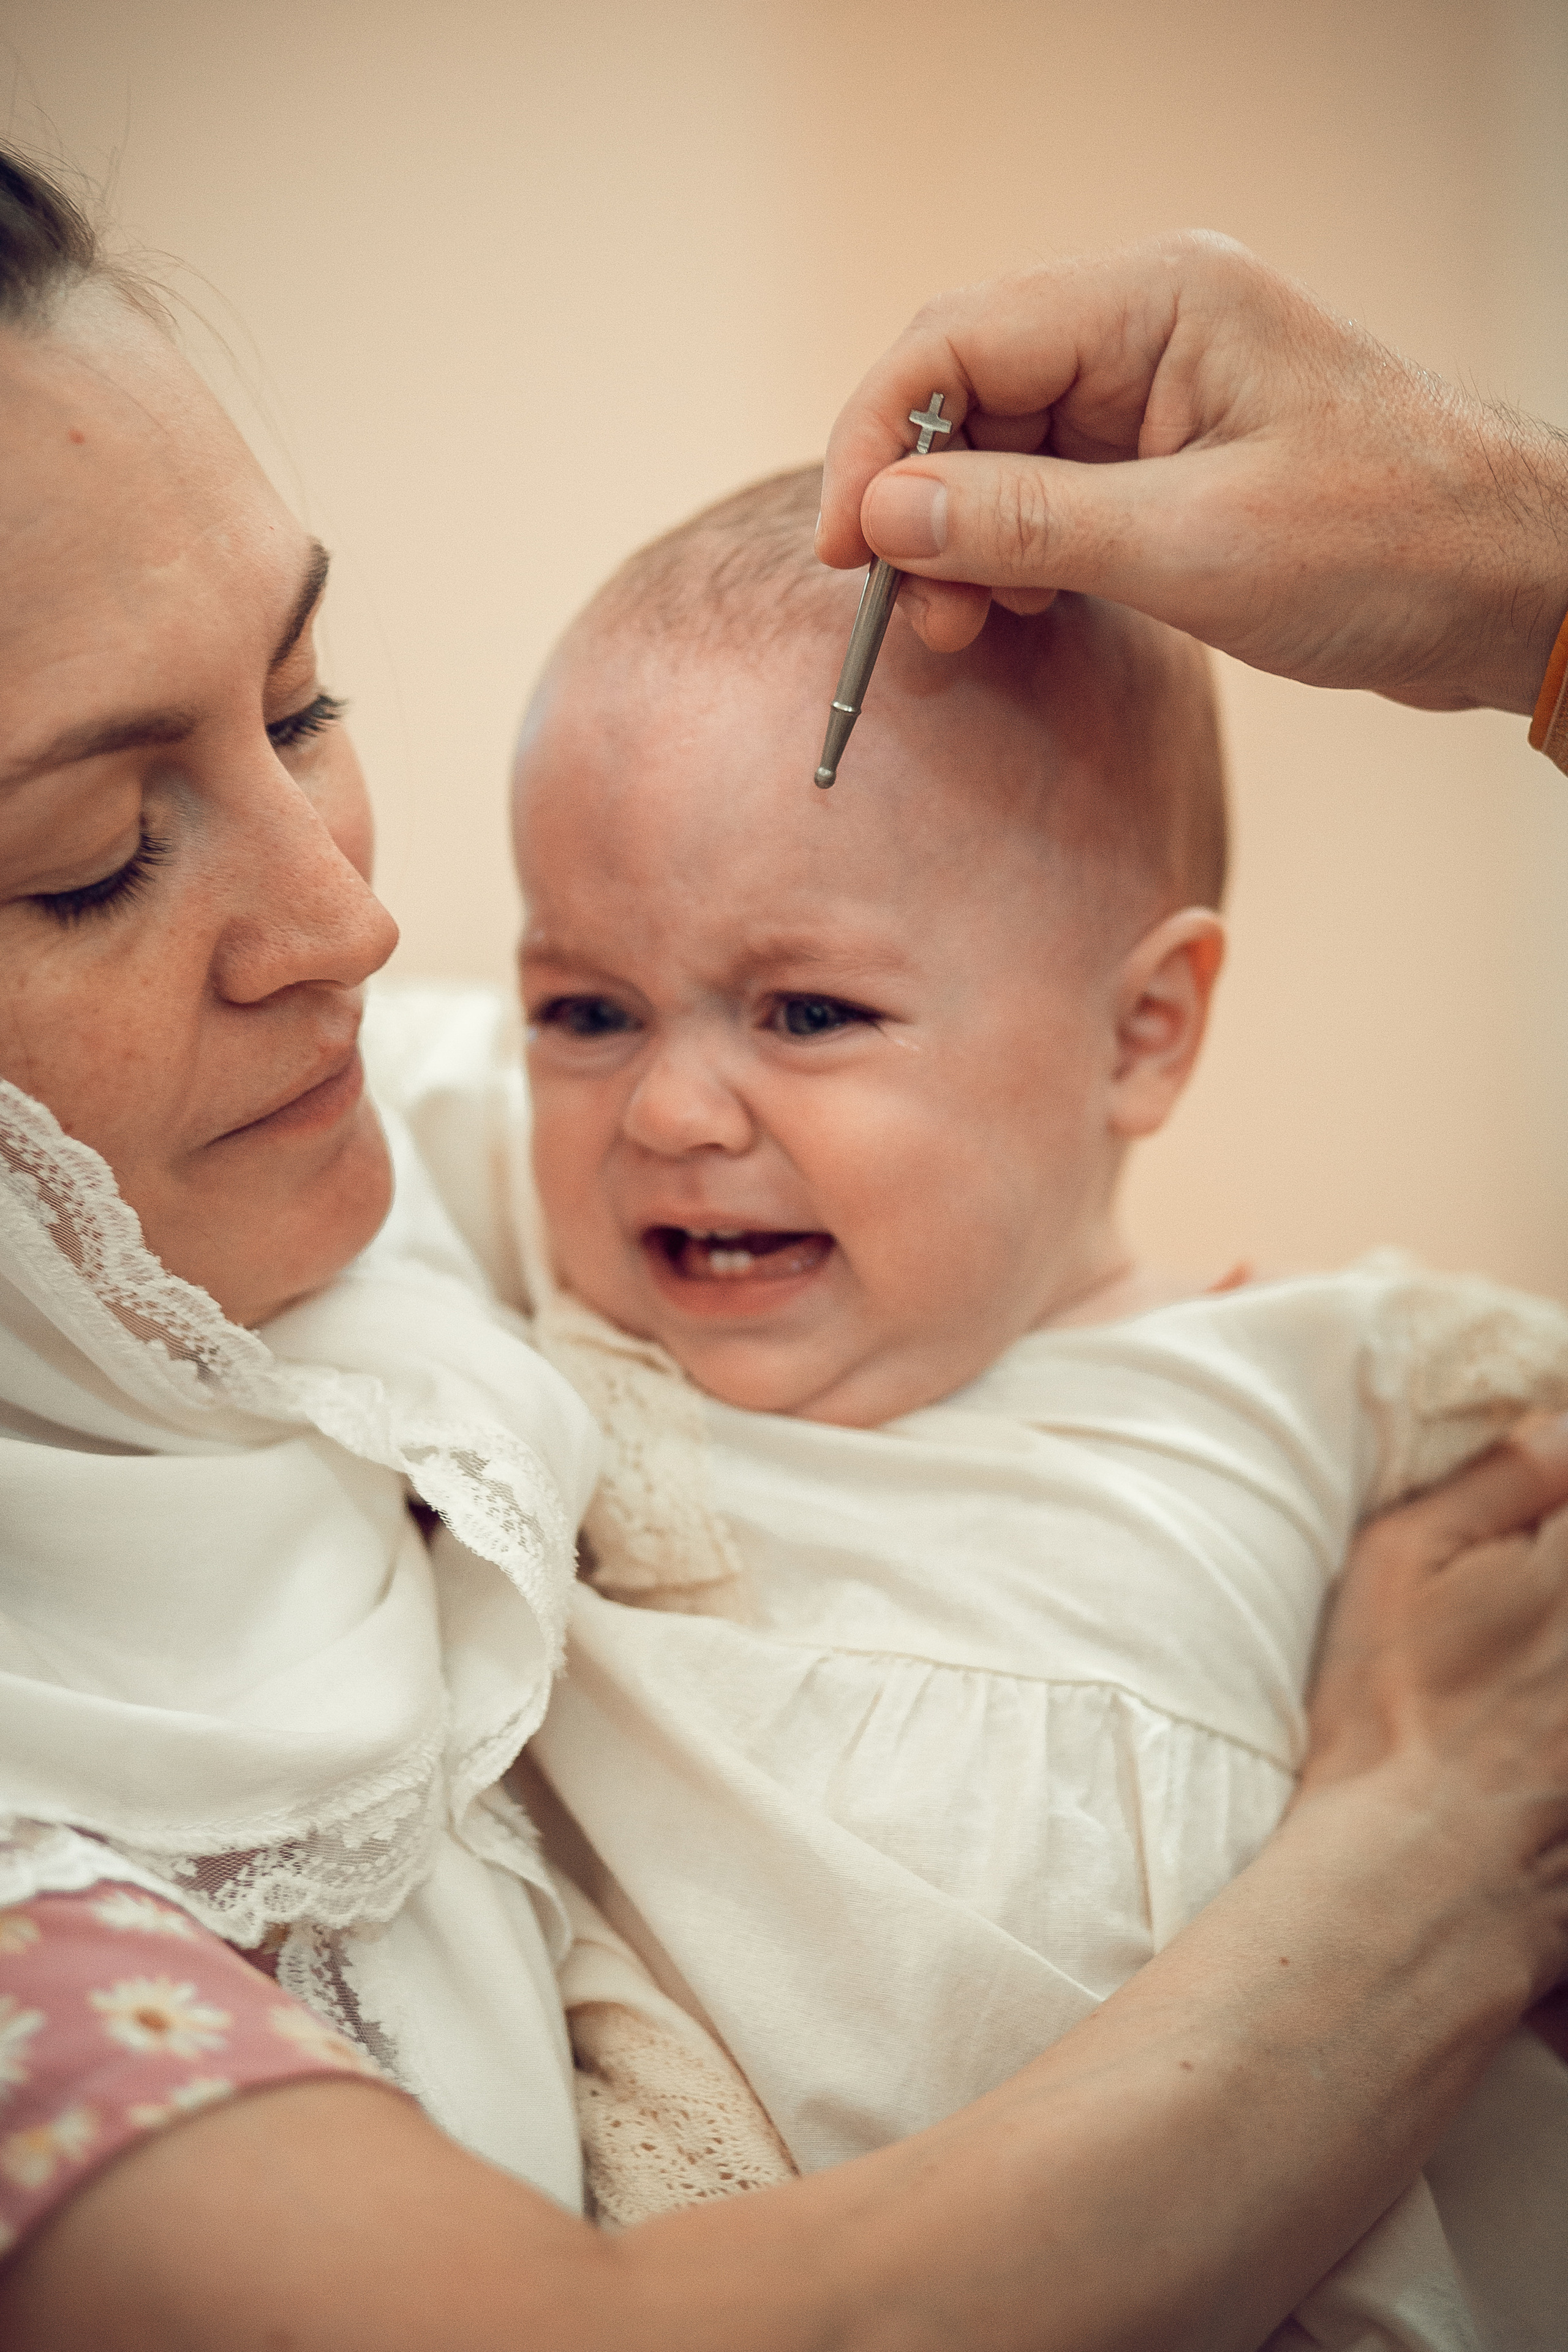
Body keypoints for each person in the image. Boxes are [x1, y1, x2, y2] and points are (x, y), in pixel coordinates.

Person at [2, 149, 1568, 2352]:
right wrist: (1438, 1850)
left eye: (302, 706)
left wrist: (1528, 580)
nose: (357, 925)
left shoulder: (362, 1166)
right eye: (84, 856)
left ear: (1147, 1033)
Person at [380, 459, 1565, 2346]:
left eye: (808, 1013)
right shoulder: (559, 1359)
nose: (669, 1112)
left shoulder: (1332, 1399)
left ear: (1142, 1032)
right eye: (587, 1013)